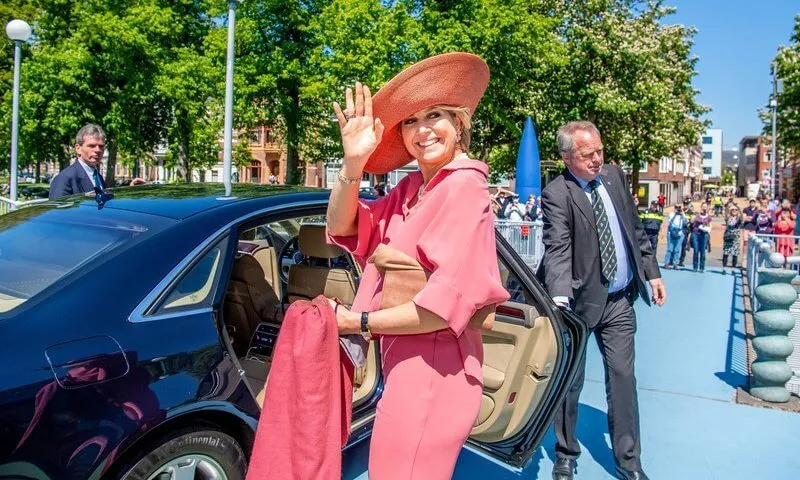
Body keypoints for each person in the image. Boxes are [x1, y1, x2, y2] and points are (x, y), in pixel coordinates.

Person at [325, 53, 510, 479]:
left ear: (459, 122)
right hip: (406, 375)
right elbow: (343, 226)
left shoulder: (464, 188)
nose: (422, 129)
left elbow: (439, 308)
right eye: (410, 120)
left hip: (434, 383)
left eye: (435, 115)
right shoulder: (412, 187)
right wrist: (353, 163)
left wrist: (356, 322)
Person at [539, 120, 665, 480]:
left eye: (600, 150)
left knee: (624, 378)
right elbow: (558, 249)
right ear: (566, 158)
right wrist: (560, 299)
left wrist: (651, 272)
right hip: (577, 307)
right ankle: (566, 453)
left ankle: (629, 462)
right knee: (570, 382)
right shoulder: (557, 194)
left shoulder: (614, 176)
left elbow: (634, 228)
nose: (597, 159)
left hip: (619, 301)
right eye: (587, 154)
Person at [48, 124, 107, 199]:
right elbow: (57, 210)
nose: (98, 150)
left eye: (101, 146)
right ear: (78, 148)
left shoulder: (98, 177)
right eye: (91, 146)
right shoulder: (65, 178)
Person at [691, 203, 712, 272]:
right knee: (696, 250)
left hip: (704, 234)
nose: (704, 208)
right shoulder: (697, 215)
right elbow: (691, 221)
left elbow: (710, 225)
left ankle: (702, 267)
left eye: (706, 207)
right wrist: (696, 216)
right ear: (701, 207)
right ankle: (695, 267)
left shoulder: (708, 217)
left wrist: (708, 230)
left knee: (703, 251)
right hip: (696, 234)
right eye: (703, 207)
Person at [664, 204, 686, 269]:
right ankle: (667, 263)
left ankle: (675, 263)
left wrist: (682, 214)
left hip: (679, 232)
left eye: (679, 207)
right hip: (671, 232)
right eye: (676, 207)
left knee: (677, 249)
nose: (677, 209)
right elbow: (670, 221)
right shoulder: (671, 214)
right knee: (670, 249)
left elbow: (685, 222)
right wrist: (676, 214)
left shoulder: (682, 214)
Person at [722, 206, 743, 274]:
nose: (734, 211)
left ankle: (733, 269)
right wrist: (728, 206)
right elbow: (726, 213)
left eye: (735, 210)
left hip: (736, 238)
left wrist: (739, 209)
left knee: (735, 254)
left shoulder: (738, 218)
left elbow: (741, 219)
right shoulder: (728, 218)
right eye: (732, 210)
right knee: (726, 253)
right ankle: (724, 268)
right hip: (728, 236)